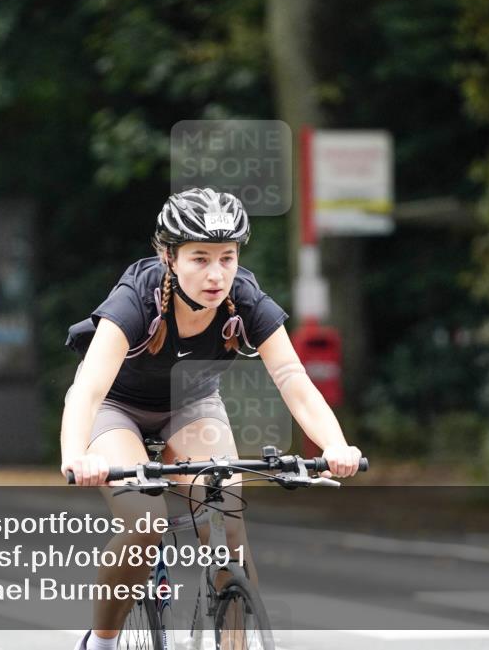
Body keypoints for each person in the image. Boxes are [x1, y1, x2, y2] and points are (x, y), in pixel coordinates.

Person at [61, 187, 363, 650]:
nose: (216, 274)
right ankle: (101, 641)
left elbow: (292, 378)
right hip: (115, 408)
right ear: (169, 256)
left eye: (227, 257)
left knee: (226, 520)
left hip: (191, 405)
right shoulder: (137, 298)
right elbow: (89, 389)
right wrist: (75, 455)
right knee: (145, 521)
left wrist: (334, 445)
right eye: (200, 258)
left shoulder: (244, 298)